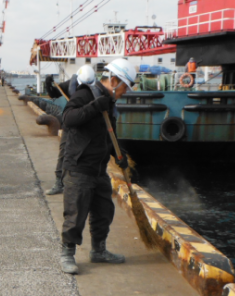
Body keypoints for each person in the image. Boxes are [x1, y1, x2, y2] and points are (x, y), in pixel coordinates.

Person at [59, 59, 136, 274]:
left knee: (104, 211)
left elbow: (109, 132)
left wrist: (119, 154)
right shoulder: (85, 94)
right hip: (79, 166)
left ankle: (99, 250)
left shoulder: (109, 102)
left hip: (98, 168)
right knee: (76, 213)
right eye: (124, 87)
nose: (124, 92)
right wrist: (94, 107)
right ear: (113, 80)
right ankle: (67, 253)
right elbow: (68, 119)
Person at [44, 65, 96, 195]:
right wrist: (48, 83)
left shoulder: (96, 90)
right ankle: (59, 183)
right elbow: (54, 93)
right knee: (64, 153)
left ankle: (89, 183)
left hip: (87, 126)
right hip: (71, 124)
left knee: (89, 154)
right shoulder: (70, 85)